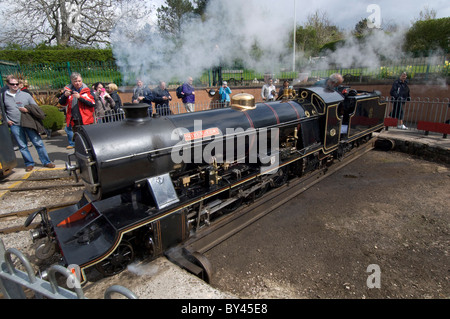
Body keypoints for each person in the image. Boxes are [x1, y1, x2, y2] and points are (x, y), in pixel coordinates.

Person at [2, 75, 55, 171]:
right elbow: (2, 110)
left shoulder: (26, 95)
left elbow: (36, 107)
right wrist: (7, 120)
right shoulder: (3, 96)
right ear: (7, 84)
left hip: (29, 123)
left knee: (38, 143)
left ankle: (46, 161)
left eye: (16, 84)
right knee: (22, 145)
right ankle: (29, 163)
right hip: (15, 124)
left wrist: (28, 110)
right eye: (12, 84)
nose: (15, 86)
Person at [58, 72, 96, 149]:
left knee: (89, 139)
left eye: (79, 81)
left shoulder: (87, 90)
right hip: (74, 119)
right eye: (75, 81)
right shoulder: (68, 90)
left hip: (86, 120)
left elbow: (93, 103)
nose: (78, 83)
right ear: (72, 81)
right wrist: (65, 96)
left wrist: (80, 97)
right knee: (78, 140)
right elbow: (62, 103)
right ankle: (80, 153)